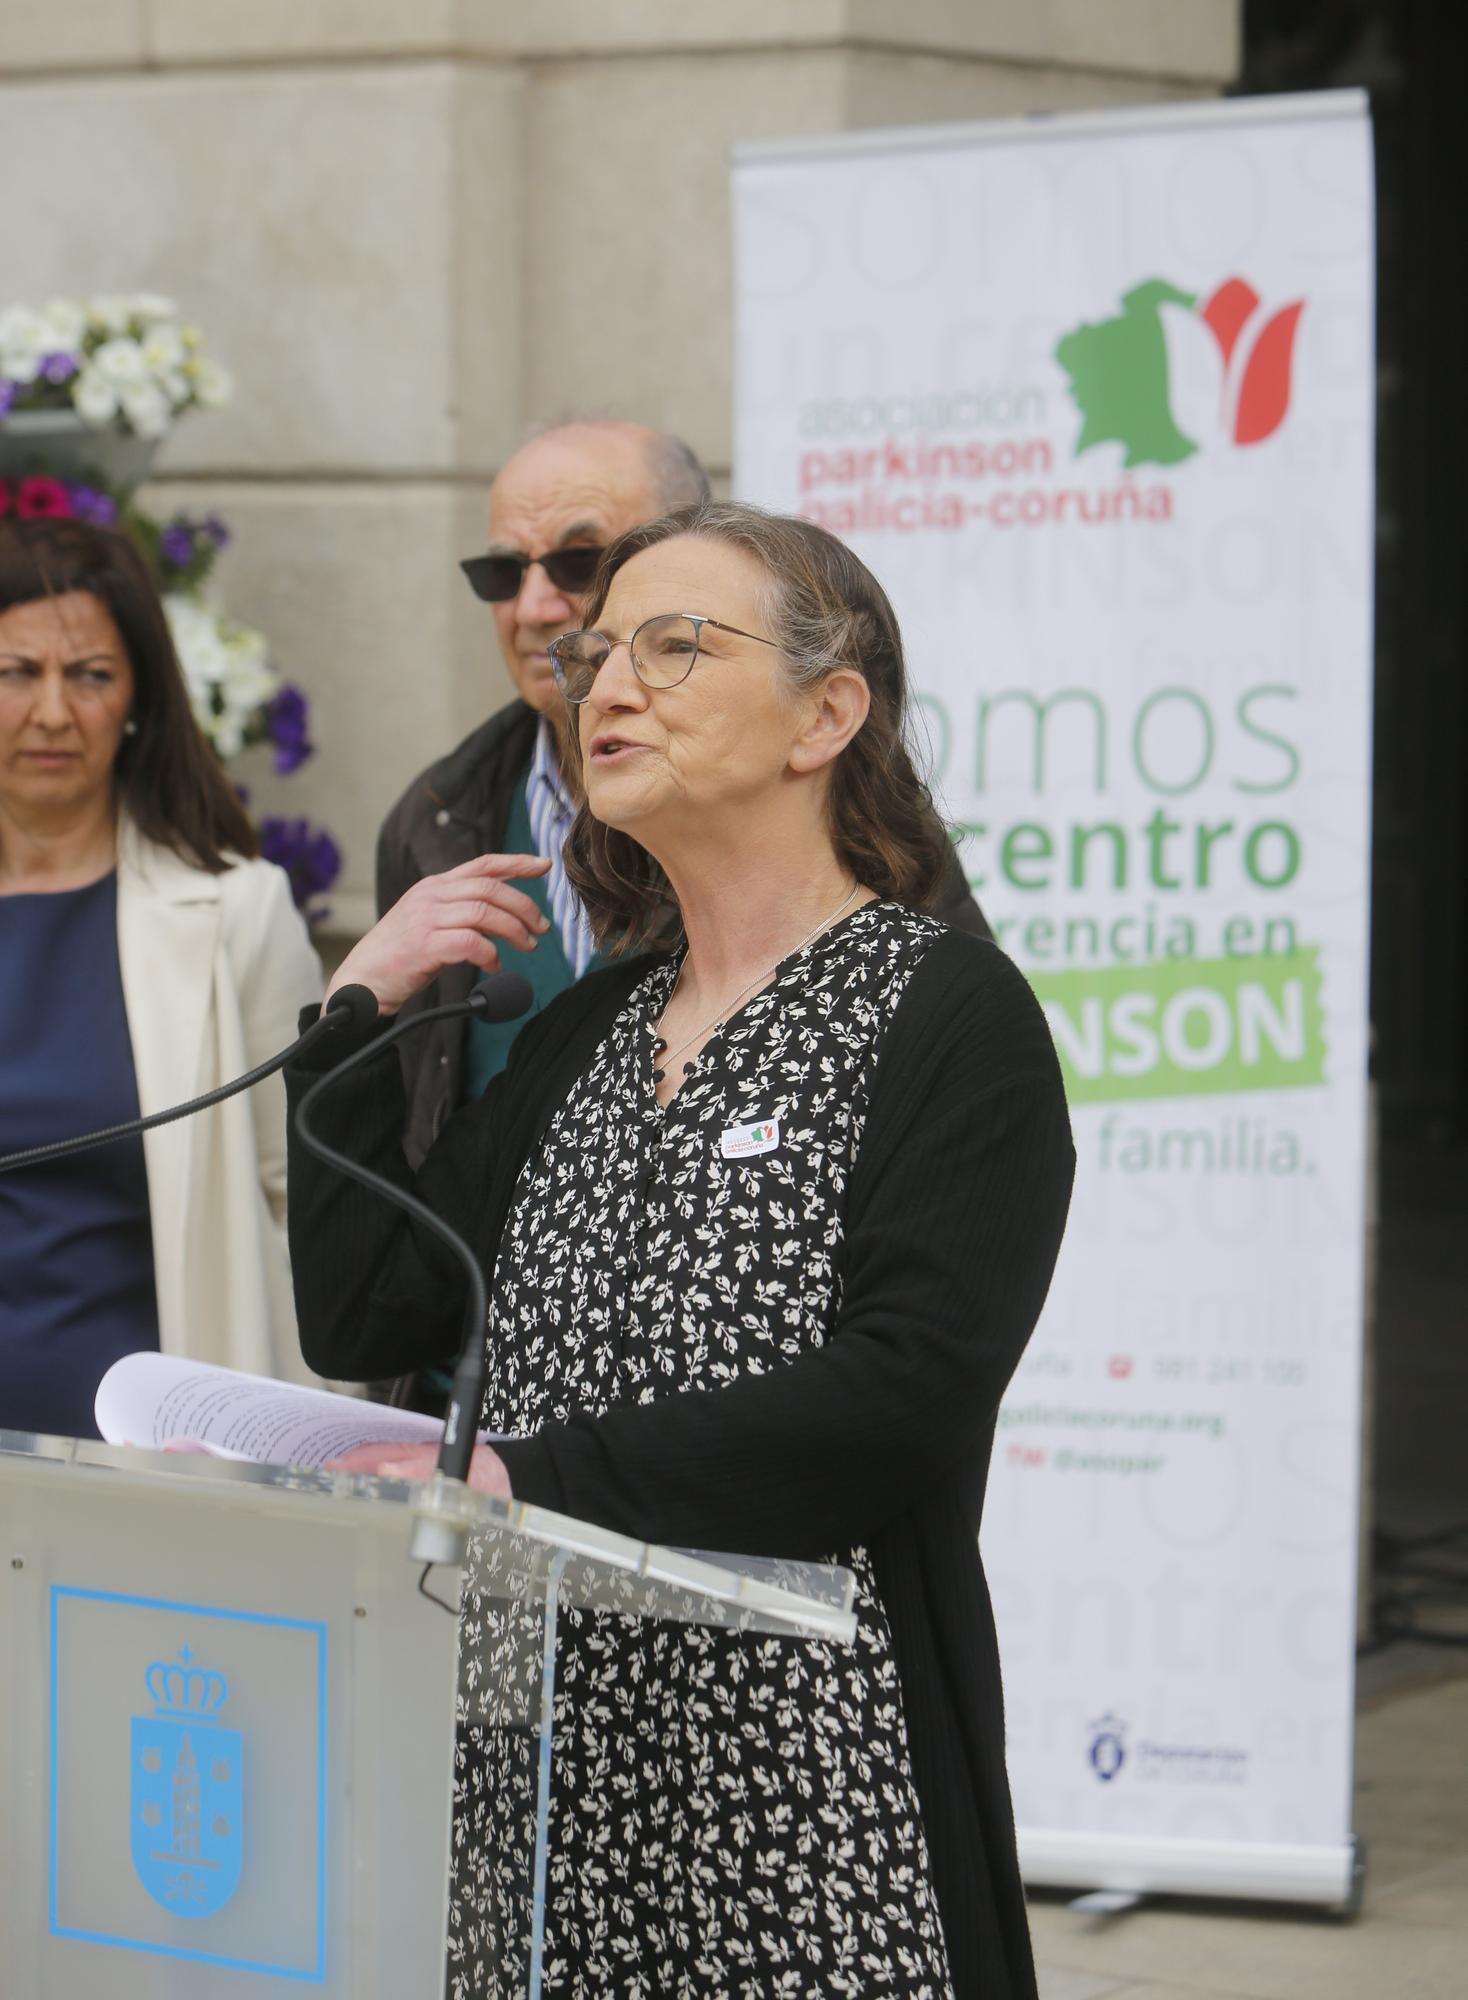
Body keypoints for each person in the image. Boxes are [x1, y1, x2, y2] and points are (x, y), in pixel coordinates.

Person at [287, 502, 1073, 1999]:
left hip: (806, 1776)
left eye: (674, 647)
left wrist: (532, 1479)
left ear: (825, 714)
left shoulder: (947, 1016)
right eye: (596, 657)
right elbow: (364, 1309)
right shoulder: (589, 1027)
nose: (606, 685)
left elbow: (904, 1397)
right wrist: (351, 1019)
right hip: (550, 1754)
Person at [377, 419, 991, 1168]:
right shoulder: (434, 815)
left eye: (578, 560)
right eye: (502, 574)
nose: (534, 606)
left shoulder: (842, 835)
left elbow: (951, 1109)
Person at [0, 518, 323, 1438]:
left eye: (91, 675)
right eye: (17, 671)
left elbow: (301, 1206)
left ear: (138, 698)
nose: (54, 712)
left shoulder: (238, 914)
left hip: (157, 1469)